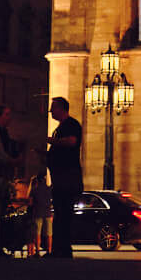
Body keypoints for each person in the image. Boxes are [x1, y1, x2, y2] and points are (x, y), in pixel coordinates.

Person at [46, 96, 86, 259]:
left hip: (67, 177)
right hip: (60, 177)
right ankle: (59, 249)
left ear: (62, 109)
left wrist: (52, 141)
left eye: (53, 107)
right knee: (60, 214)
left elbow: (71, 142)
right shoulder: (61, 127)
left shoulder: (71, 125)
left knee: (63, 214)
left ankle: (62, 250)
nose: (50, 111)